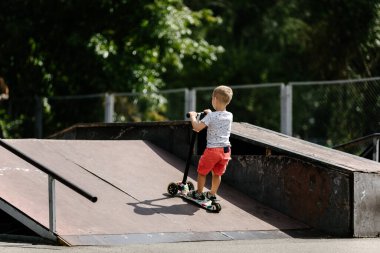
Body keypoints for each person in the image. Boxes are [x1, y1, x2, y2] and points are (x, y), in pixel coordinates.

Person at [187, 85, 233, 201]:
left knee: (202, 172)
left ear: (215, 99)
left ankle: (198, 193)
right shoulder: (229, 115)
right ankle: (212, 194)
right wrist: (210, 113)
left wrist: (193, 117)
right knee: (217, 174)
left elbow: (197, 127)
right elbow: (219, 116)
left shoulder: (211, 116)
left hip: (213, 150)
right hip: (226, 150)